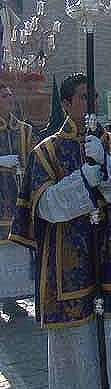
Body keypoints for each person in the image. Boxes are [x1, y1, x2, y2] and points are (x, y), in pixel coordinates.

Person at [9, 73, 111, 389]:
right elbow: (46, 208)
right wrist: (83, 179)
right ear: (67, 103)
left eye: (95, 97)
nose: (92, 104)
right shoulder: (46, 151)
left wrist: (107, 168)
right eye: (84, 97)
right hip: (68, 256)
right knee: (80, 329)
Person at [0, 82, 34, 317]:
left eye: (10, 95)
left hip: (18, 200)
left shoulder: (25, 130)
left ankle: (11, 298)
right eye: (4, 96)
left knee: (15, 253)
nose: (10, 99)